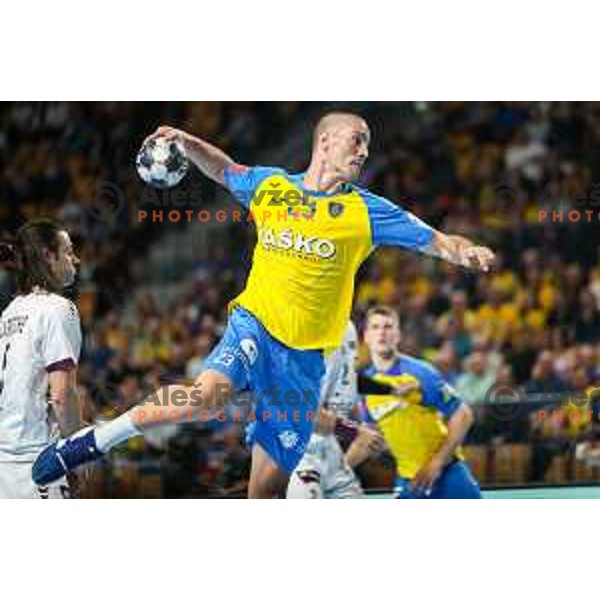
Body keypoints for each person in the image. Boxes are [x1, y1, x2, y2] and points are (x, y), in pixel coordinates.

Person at [33, 112, 495, 498]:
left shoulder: (368, 211)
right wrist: (187, 141)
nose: (363, 151)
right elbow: (226, 169)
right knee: (205, 395)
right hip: (255, 323)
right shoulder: (272, 187)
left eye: (367, 145)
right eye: (357, 141)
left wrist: (465, 251)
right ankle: (93, 440)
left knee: (264, 494)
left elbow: (435, 239)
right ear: (326, 140)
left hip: (304, 360)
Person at [361, 306, 481, 499]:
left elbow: (464, 415)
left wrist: (437, 463)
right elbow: (369, 438)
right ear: (366, 336)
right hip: (410, 480)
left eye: (388, 326)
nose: (381, 332)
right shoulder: (365, 384)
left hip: (447, 474)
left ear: (398, 335)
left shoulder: (420, 372)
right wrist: (340, 468)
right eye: (375, 327)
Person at [0, 220, 83, 498]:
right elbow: (62, 395)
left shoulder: (10, 311)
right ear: (48, 256)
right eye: (69, 252)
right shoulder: (58, 308)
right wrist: (75, 455)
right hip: (37, 460)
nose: (76, 260)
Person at [286, 321, 385, 499]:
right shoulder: (297, 329)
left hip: (332, 447)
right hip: (299, 449)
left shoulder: (348, 326)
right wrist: (354, 431)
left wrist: (361, 427)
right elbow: (301, 410)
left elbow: (348, 379)